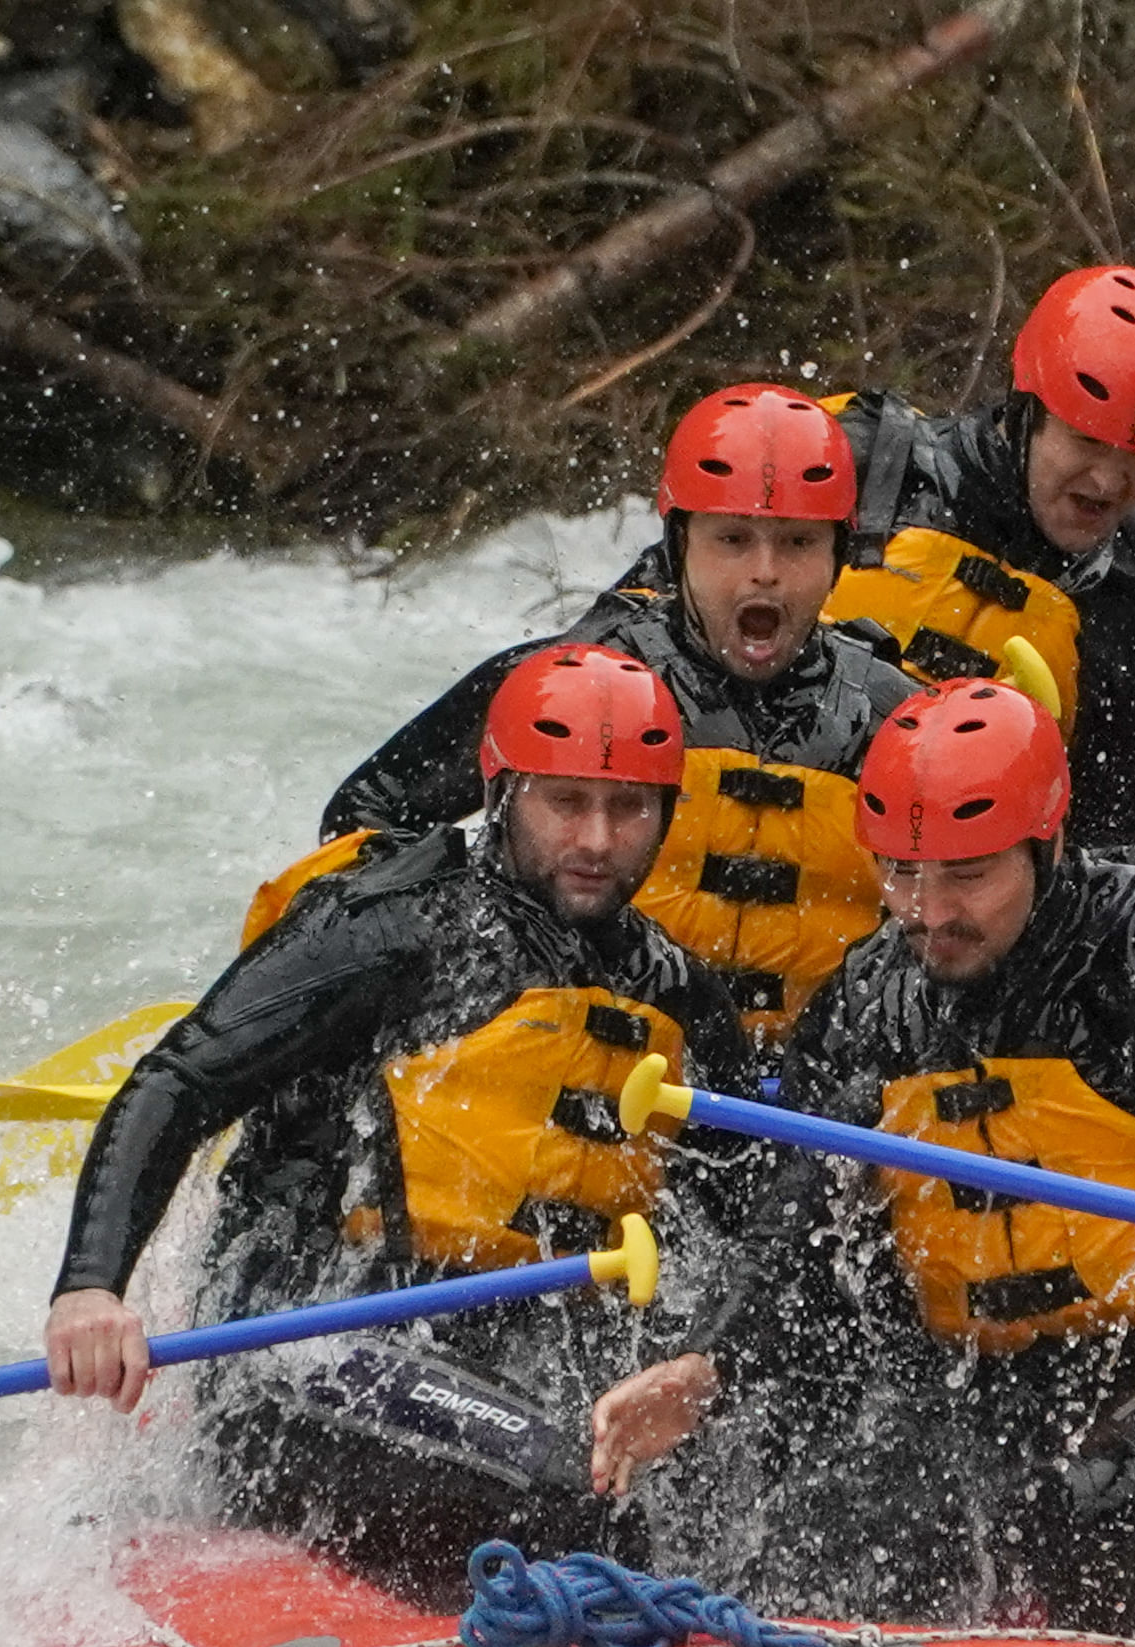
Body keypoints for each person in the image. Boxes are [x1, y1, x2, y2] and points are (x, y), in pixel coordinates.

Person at [44, 644, 767, 1598]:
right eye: (565, 804)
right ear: (503, 794)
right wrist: (91, 1286)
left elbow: (761, 1205)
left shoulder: (672, 990)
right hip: (300, 1344)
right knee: (580, 1488)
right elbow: (179, 1081)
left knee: (732, 1474)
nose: (596, 839)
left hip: (500, 1361)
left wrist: (705, 1364)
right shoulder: (391, 925)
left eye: (628, 809)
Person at [720, 680, 1135, 1638]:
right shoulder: (873, 994)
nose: (929, 912)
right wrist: (708, 1365)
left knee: (1086, 1505)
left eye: (967, 876)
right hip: (1000, 1372)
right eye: (903, 873)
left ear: (1048, 845)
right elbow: (795, 1209)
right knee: (831, 1523)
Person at [300, 384, 923, 1039]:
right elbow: (363, 818)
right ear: (679, 543)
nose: (763, 573)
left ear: (838, 556)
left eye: (796, 544)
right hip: (583, 1058)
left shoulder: (894, 718)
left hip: (806, 1086)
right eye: (732, 539)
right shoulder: (562, 683)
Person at [819, 264, 1135, 851]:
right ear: (1026, 411)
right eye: (1085, 439)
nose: (1108, 479)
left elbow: (1104, 844)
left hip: (951, 908)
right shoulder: (866, 463)